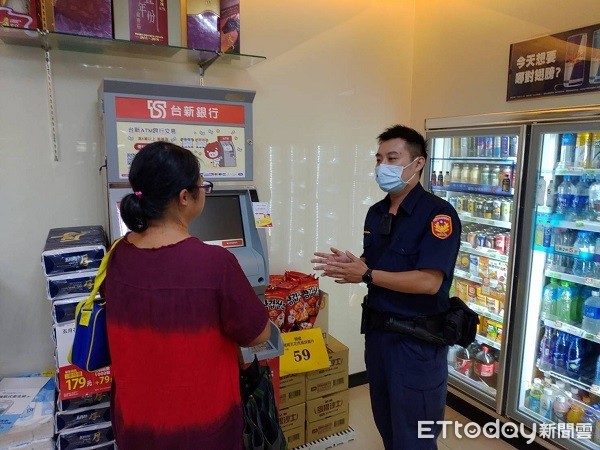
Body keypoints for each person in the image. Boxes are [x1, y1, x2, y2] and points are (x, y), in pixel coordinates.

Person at [103, 141, 271, 449]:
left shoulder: (117, 255)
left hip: (135, 425)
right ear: (184, 197)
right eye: (202, 185)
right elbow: (258, 334)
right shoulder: (215, 263)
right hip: (202, 430)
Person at [312, 125, 460, 449]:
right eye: (379, 159)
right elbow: (376, 262)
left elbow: (429, 282)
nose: (382, 167)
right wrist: (353, 264)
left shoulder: (438, 215)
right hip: (378, 337)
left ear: (417, 163)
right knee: (387, 424)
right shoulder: (376, 212)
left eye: (392, 158)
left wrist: (366, 275)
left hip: (416, 343)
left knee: (415, 435)